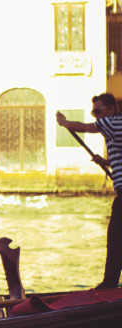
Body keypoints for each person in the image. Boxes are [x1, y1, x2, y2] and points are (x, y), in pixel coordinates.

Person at [56, 93, 122, 290]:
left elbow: (84, 128)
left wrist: (64, 122)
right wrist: (106, 162)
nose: (95, 116)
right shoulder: (116, 126)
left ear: (111, 109)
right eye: (93, 112)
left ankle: (109, 284)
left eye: (97, 111)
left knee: (116, 240)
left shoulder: (112, 122)